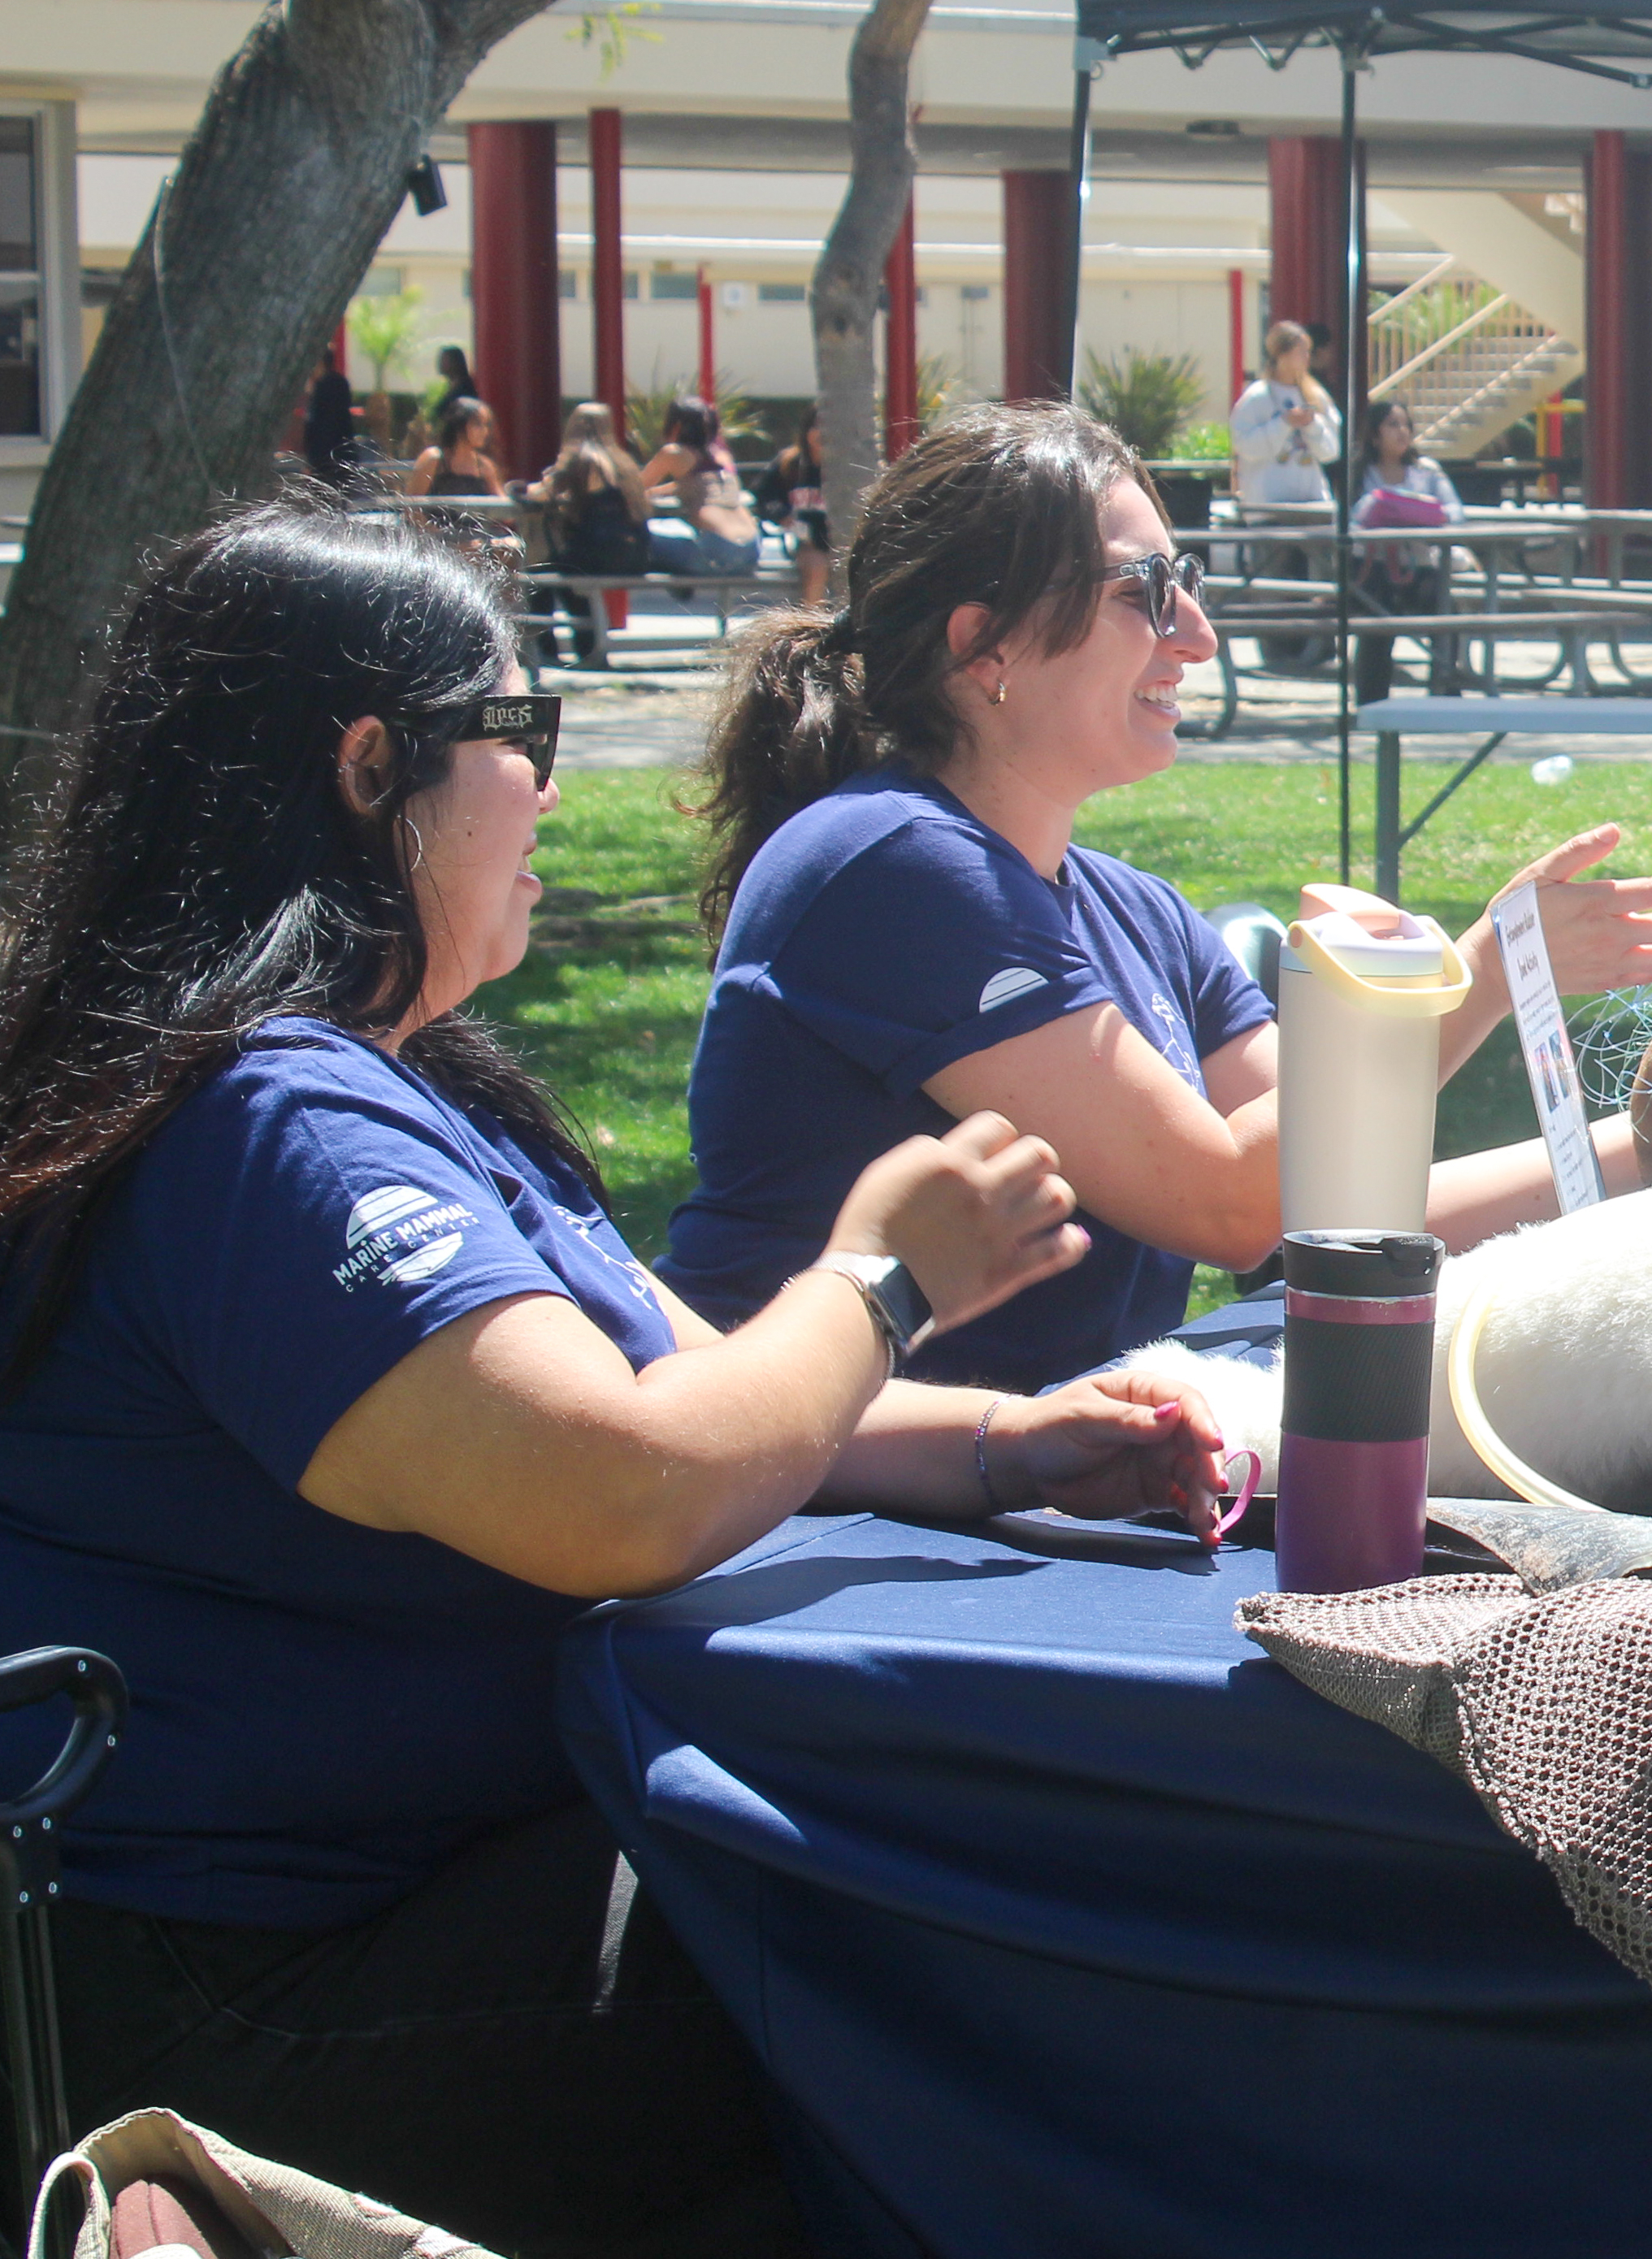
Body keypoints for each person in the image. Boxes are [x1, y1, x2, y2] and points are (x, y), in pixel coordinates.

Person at [0, 505, 1234, 2257]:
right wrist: (883, 1279)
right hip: (270, 1989)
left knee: (967, 1878)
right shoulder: (264, 1124)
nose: (551, 793)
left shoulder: (391, 1084)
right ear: (373, 765)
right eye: (527, 734)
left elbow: (704, 1386)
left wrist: (1002, 1442)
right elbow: (630, 1486)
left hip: (442, 1881)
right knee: (985, 1953)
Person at [662, 401, 1652, 1393]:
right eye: (1145, 591)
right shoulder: (891, 862)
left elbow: (1333, 1202)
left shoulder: (1134, 910)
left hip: (1024, 1495)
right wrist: (1464, 974)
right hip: (794, 1514)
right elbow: (1232, 1204)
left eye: (1186, 582)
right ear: (982, 644)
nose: (1198, 633)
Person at [1230, 321, 1342, 673]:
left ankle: (1320, 646)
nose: (1306, 358)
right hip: (1270, 503)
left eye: (1308, 351)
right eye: (1299, 351)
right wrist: (1283, 423)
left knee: (1321, 577)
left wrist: (1309, 424)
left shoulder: (1315, 395)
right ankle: (1277, 650)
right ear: (1280, 355)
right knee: (1274, 581)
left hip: (1311, 500)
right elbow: (1246, 447)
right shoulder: (1256, 398)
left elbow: (1332, 450)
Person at [1349, 396, 1466, 701]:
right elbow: (1348, 522)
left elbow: (1455, 512)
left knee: (1446, 613)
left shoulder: (1427, 471)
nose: (1402, 432)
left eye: (1406, 425)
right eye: (1392, 425)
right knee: (1377, 620)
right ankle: (1371, 701)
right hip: (1370, 569)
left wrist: (1427, 516)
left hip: (1420, 564)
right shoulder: (1360, 473)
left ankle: (1444, 691)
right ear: (1375, 435)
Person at [529, 401, 653, 671]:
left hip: (599, 554)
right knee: (569, 575)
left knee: (538, 574)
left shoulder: (581, 458)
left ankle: (545, 649)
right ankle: (588, 649)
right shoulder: (623, 461)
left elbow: (540, 494)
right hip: (634, 557)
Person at [644, 396, 762, 579]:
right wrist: (655, 492)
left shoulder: (674, 453)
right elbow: (696, 485)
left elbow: (633, 488)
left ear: (676, 426)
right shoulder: (721, 457)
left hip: (719, 553)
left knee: (642, 541)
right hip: (752, 550)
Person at [749, 405, 830, 609]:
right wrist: (783, 517)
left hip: (840, 539)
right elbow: (762, 495)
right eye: (816, 427)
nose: (821, 434)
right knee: (816, 564)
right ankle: (813, 622)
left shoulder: (847, 466)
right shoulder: (790, 463)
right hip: (806, 540)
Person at [404, 392, 504, 499]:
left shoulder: (484, 466)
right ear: (459, 425)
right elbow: (413, 505)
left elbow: (502, 506)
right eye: (477, 424)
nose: (484, 431)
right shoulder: (434, 459)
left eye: (486, 425)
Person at [301, 364, 366, 487]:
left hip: (323, 460)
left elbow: (315, 429)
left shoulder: (320, 388)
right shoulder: (340, 383)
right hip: (344, 454)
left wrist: (311, 461)